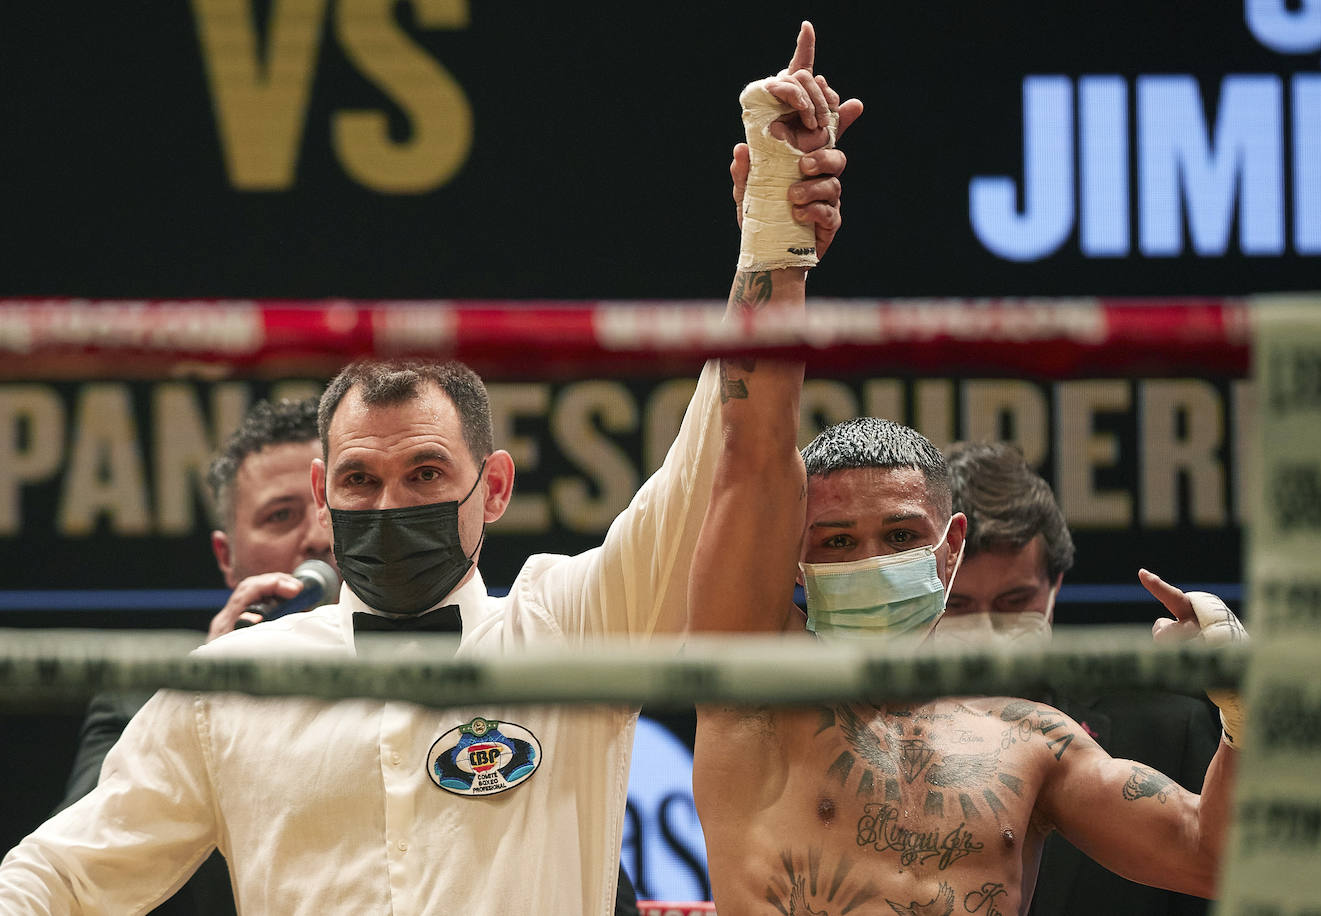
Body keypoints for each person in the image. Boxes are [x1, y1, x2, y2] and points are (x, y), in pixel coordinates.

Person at [0, 24, 858, 913]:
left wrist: (770, 242)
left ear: (493, 488)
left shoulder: (572, 632)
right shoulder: (229, 689)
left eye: (424, 474)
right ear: (323, 504)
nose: (390, 501)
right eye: (360, 482)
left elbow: (712, 459)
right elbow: (58, 874)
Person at [690, 411, 1247, 912]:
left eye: (900, 535)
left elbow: (1211, 856)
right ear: (793, 555)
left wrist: (1242, 710)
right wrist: (787, 288)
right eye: (837, 542)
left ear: (950, 546)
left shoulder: (1031, 741)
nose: (872, 563)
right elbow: (754, 433)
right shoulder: (753, 696)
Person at [47, 396, 333, 916]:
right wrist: (201, 688)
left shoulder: (463, 665)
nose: (317, 537)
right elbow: (77, 872)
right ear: (228, 557)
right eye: (281, 515)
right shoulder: (144, 697)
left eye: (335, 503)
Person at [941, 441, 1220, 916]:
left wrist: (1246, 706)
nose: (985, 631)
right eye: (958, 606)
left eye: (1013, 603)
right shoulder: (858, 729)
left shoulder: (1166, 730)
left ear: (1055, 588)